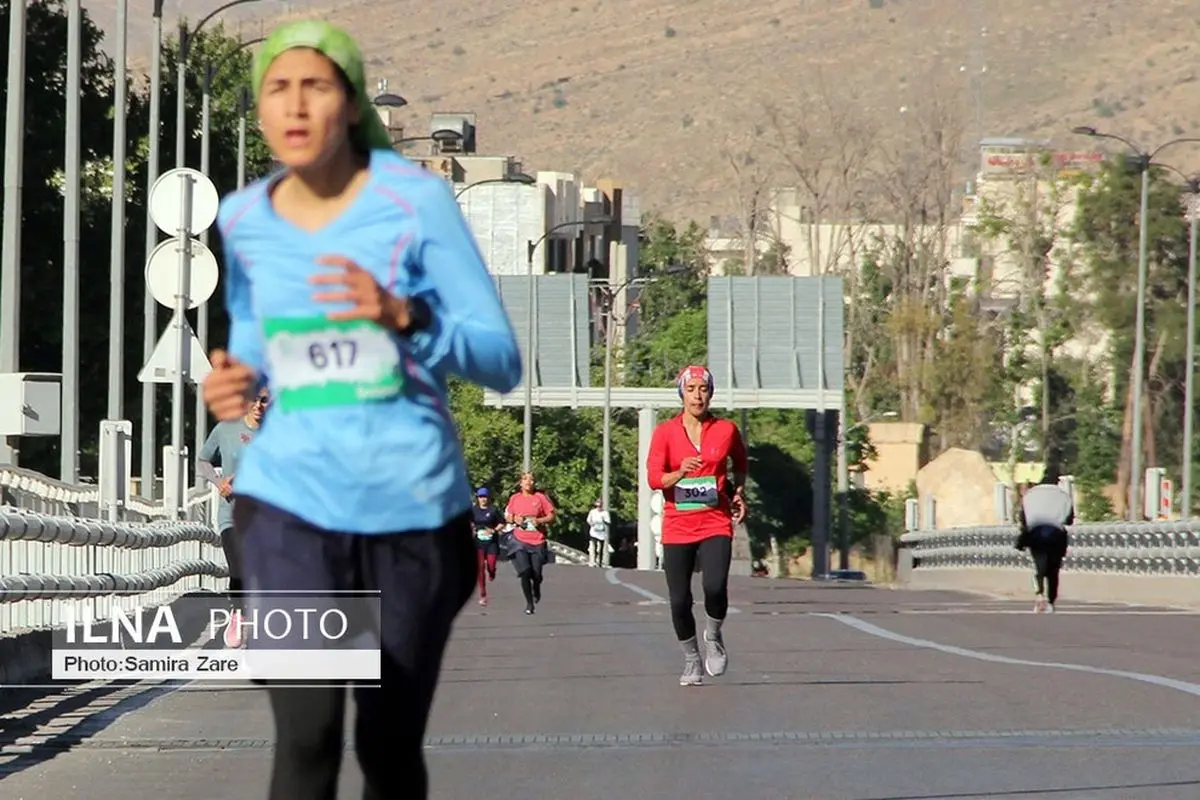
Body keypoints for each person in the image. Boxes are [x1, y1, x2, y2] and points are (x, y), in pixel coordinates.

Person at [201, 20, 522, 800]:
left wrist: (406, 316)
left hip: (410, 509)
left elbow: (500, 359)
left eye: (316, 85)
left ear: (349, 104)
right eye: (278, 88)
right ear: (261, 110)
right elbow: (251, 345)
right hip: (289, 511)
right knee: (306, 739)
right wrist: (232, 385)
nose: (296, 104)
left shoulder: (415, 203)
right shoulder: (243, 219)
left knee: (387, 744)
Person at [647, 365, 748, 687]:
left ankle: (714, 635)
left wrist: (738, 490)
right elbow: (653, 479)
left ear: (710, 393)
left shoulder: (726, 430)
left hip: (715, 520)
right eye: (691, 389)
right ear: (682, 394)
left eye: (703, 389)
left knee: (715, 587)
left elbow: (741, 463)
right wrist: (679, 472)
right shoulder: (665, 432)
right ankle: (692, 660)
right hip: (678, 524)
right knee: (679, 600)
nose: (697, 395)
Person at [196, 387, 270, 648]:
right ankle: (239, 613)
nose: (260, 405)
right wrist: (219, 482)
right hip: (232, 514)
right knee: (238, 568)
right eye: (256, 399)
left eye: (265, 400)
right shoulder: (226, 429)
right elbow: (203, 461)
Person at [1015, 477, 1074, 614]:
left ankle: (1039, 594)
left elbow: (1023, 520)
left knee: (1039, 567)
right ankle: (1051, 601)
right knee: (1054, 571)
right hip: (1056, 535)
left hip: (1036, 534)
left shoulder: (1030, 496)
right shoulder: (1063, 496)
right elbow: (1069, 520)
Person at [504, 472, 556, 615]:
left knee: (536, 574)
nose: (529, 482)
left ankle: (537, 587)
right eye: (525, 479)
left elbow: (552, 516)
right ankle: (529, 603)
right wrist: (515, 518)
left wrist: (539, 521)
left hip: (537, 540)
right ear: (520, 483)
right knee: (525, 572)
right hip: (520, 540)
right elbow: (507, 516)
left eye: (531, 479)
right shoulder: (515, 498)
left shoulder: (540, 498)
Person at [471, 487, 505, 606]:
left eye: (485, 497)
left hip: (491, 542)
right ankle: (483, 594)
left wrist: (494, 530)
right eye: (480, 497)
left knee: (491, 564)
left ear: (488, 498)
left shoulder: (493, 510)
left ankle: (492, 572)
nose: (483, 499)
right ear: (477, 498)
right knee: (480, 568)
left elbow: (502, 523)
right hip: (478, 543)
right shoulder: (473, 510)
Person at [586, 498, 611, 568]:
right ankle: (592, 561)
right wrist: (591, 524)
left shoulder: (605, 513)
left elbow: (608, 522)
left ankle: (599, 562)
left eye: (600, 504)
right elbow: (588, 520)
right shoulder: (592, 512)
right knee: (592, 547)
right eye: (597, 504)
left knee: (600, 548)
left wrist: (604, 520)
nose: (599, 506)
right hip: (593, 532)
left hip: (601, 533)